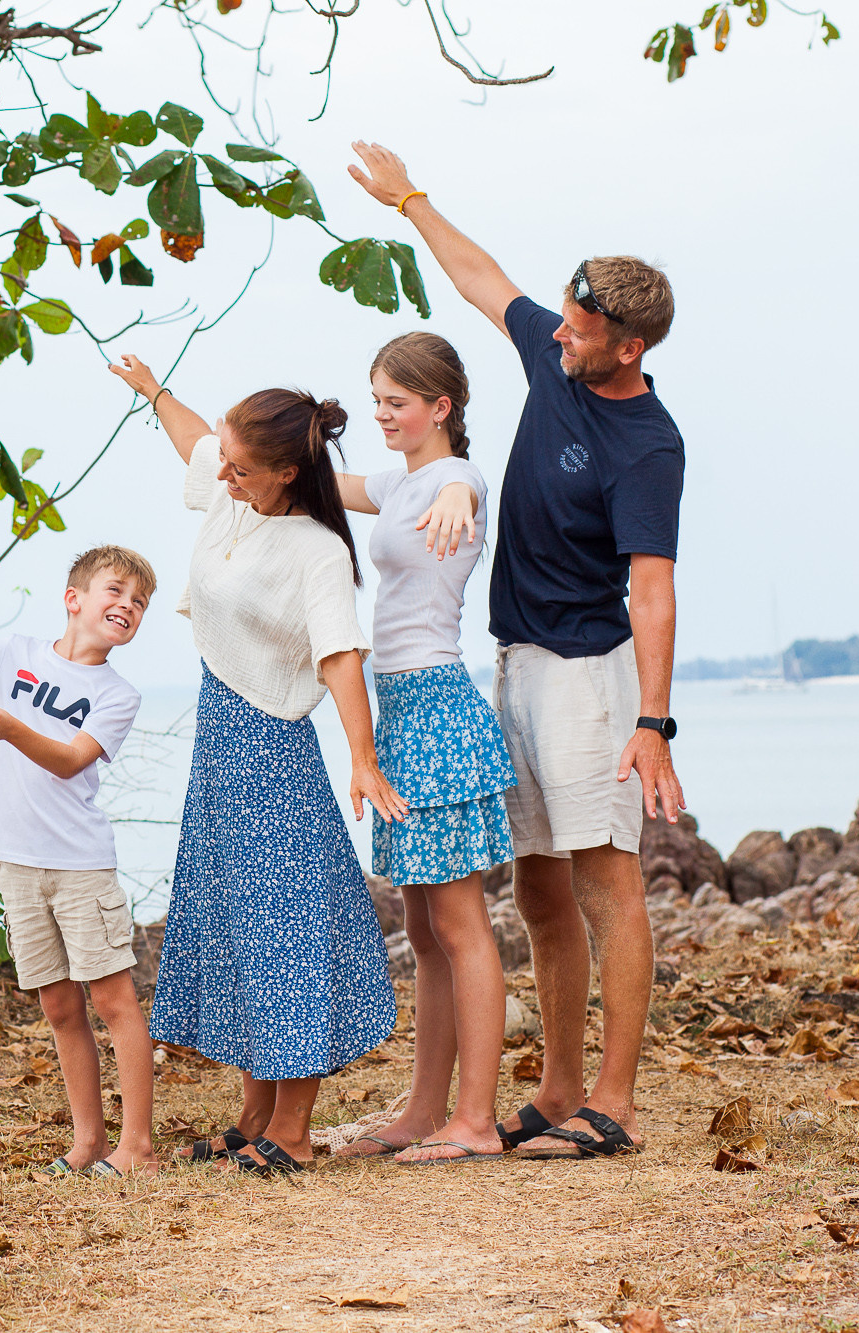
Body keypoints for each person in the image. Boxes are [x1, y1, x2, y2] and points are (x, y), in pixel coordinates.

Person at [347, 140, 688, 1160]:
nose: (561, 337)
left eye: (580, 331)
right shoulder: (557, 352)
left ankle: (614, 1105)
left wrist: (652, 722)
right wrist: (409, 198)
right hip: (512, 664)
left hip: (590, 674)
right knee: (538, 886)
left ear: (624, 345)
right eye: (565, 319)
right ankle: (555, 1086)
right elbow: (479, 278)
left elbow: (653, 588)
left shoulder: (647, 444)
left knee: (603, 876)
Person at [107, 354, 406, 1176]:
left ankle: (297, 1131)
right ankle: (255, 1114)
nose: (224, 472)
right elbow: (195, 442)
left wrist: (363, 757)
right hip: (219, 740)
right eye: (227, 462)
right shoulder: (234, 488)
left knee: (286, 934)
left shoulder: (316, 552)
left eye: (241, 467)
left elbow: (341, 655)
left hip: (272, 751)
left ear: (286, 472)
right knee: (240, 928)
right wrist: (155, 392)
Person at [0, 546, 160, 1177]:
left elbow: (71, 760)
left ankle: (139, 1148)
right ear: (74, 599)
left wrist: (12, 727)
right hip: (16, 862)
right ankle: (89, 1141)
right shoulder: (12, 653)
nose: (126, 605)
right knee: (60, 1008)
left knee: (114, 1001)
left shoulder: (118, 695)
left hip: (80, 866)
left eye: (139, 602)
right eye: (115, 591)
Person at [329, 333, 517, 1166]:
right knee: (424, 923)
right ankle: (424, 1109)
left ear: (441, 408)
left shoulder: (451, 481)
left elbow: (463, 488)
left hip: (438, 707)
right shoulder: (399, 484)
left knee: (458, 920)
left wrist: (459, 496)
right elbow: (304, 482)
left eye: (396, 402)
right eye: (376, 401)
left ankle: (476, 1120)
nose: (381, 415)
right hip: (399, 714)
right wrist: (192, 423)